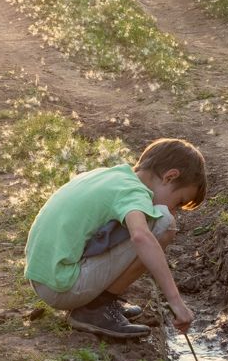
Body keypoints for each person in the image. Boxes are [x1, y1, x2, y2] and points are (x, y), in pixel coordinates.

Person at [24, 138, 206, 339]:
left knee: (154, 219)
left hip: (45, 279)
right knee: (164, 222)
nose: (175, 210)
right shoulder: (134, 192)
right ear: (169, 177)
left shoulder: (112, 176)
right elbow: (141, 237)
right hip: (62, 287)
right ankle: (95, 308)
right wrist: (176, 301)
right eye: (179, 202)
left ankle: (96, 304)